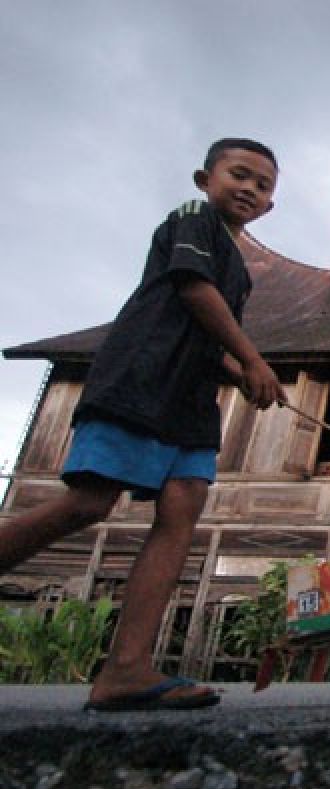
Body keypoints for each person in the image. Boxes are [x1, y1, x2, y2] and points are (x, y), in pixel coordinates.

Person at [0, 138, 288, 710]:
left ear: (270, 206)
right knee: (89, 504)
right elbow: (192, 289)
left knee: (181, 511)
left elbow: (210, 336)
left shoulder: (242, 272)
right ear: (204, 179)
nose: (249, 188)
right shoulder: (191, 220)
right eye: (239, 174)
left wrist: (242, 376)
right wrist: (252, 358)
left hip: (190, 401)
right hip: (141, 376)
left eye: (262, 185)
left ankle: (127, 669)